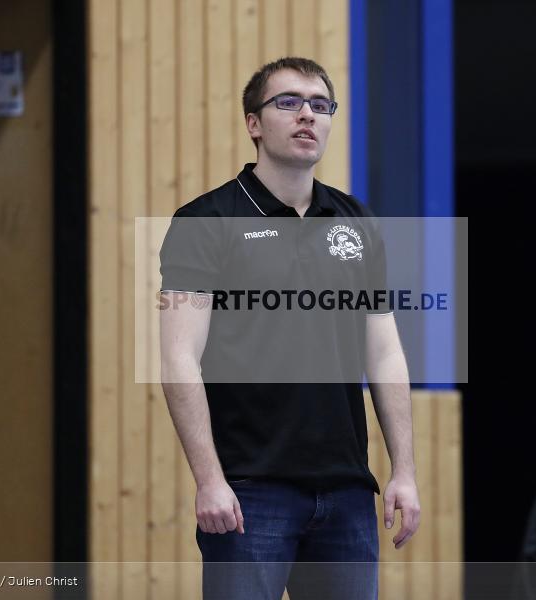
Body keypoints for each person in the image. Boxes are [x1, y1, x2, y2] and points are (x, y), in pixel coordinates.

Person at [159, 57, 419, 600]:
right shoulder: (205, 222)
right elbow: (179, 359)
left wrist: (405, 471)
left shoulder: (357, 222)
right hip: (250, 493)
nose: (308, 116)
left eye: (321, 106)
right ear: (254, 122)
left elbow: (385, 352)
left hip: (347, 491)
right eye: (289, 103)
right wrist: (210, 480)